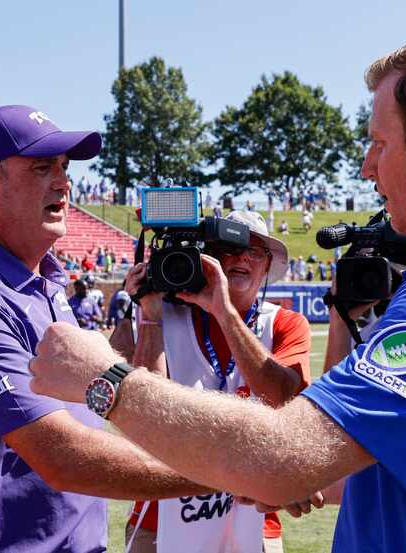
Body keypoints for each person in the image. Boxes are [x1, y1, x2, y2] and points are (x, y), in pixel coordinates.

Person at [30, 36, 406, 552]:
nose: (367, 166)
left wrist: (105, 379)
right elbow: (334, 478)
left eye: (380, 144)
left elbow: (285, 460)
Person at [0, 105, 206, 553]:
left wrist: (144, 326)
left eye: (64, 167)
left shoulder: (45, 285)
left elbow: (90, 399)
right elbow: (62, 456)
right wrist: (222, 473)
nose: (63, 182)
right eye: (42, 167)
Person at [122, 210, 311, 553]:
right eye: (229, 249)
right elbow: (144, 412)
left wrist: (224, 312)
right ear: (208, 258)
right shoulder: (165, 313)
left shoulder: (285, 323)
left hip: (255, 517)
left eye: (254, 251)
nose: (241, 257)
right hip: (160, 514)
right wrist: (149, 315)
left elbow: (283, 397)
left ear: (267, 266)